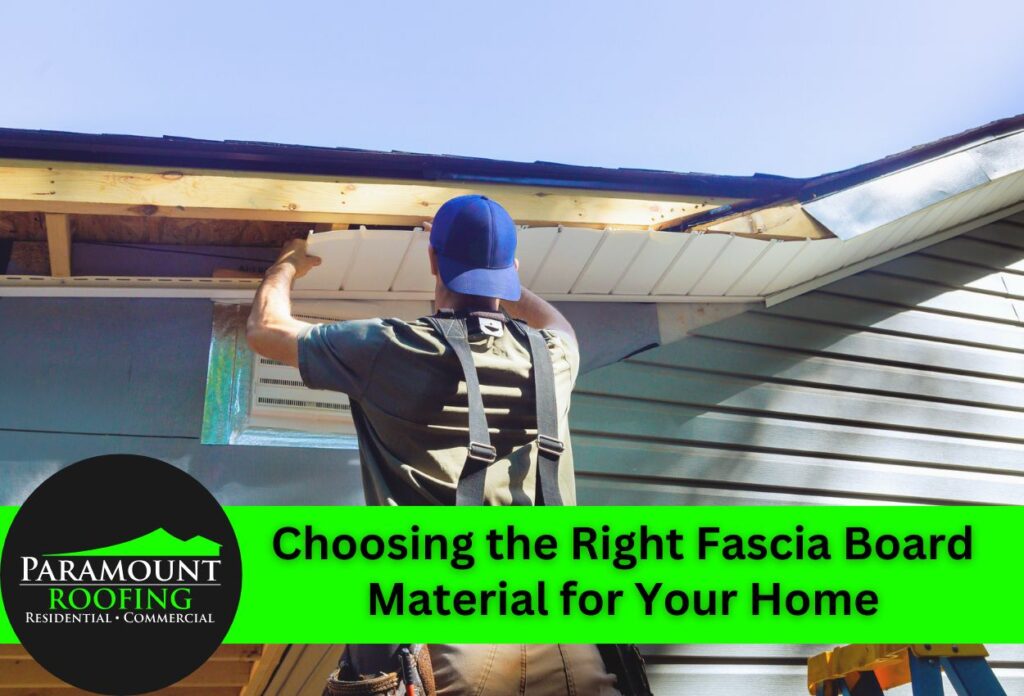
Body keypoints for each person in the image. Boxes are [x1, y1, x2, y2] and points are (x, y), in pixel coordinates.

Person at [247, 194, 636, 695]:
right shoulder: (556, 355)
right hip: (566, 639)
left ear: (433, 261)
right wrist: (499, 275)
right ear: (511, 271)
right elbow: (558, 324)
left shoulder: (391, 348)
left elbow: (266, 329)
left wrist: (286, 265)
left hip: (450, 643)